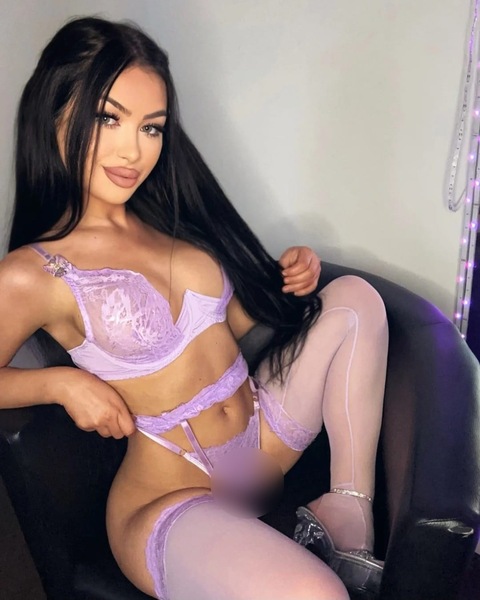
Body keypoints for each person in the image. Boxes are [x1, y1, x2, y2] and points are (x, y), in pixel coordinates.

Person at [0, 16, 388, 600]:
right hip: (170, 494)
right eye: (108, 118)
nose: (134, 150)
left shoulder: (168, 218)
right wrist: (59, 385)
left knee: (355, 299)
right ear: (53, 112)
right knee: (319, 595)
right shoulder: (34, 272)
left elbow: (224, 332)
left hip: (261, 439)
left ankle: (348, 519)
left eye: (151, 128)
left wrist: (286, 284)